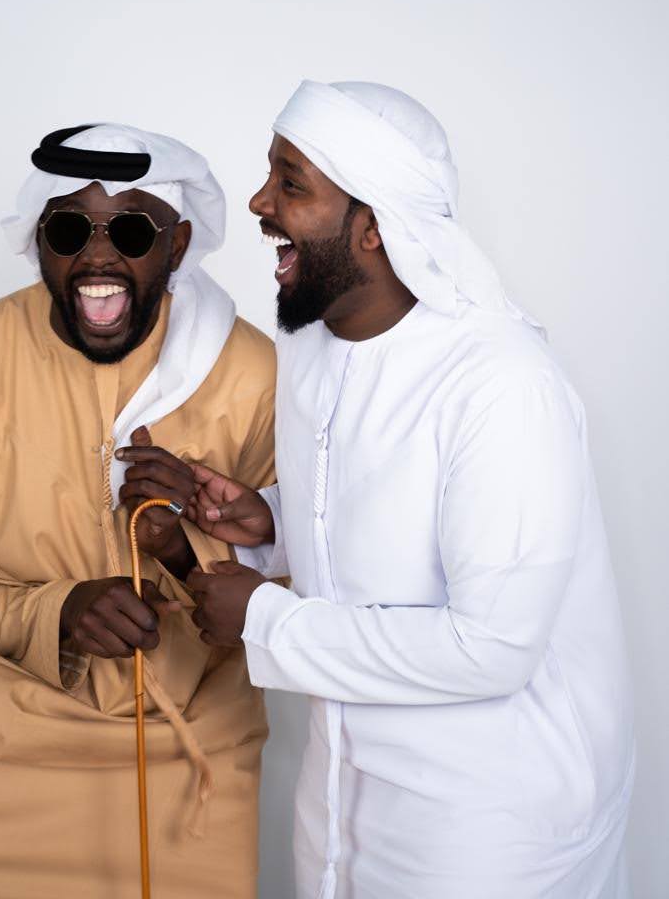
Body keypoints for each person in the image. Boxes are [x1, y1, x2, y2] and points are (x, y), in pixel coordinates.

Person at [186, 82, 635, 899]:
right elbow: (390, 511)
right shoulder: (314, 344)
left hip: (489, 823)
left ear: (372, 225)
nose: (259, 202)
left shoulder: (500, 384)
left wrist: (262, 618)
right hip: (342, 795)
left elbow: (490, 647)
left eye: (291, 184)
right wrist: (268, 522)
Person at [0, 123, 276, 897]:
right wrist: (60, 611)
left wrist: (182, 549)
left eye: (132, 232)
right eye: (70, 230)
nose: (98, 257)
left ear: (177, 245)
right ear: (40, 241)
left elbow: (300, 590)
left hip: (190, 732)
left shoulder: (252, 373)